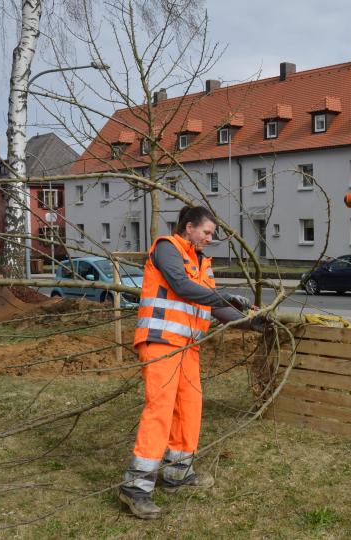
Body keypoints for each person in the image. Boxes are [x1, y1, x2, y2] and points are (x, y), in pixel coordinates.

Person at [119, 205, 266, 519]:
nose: (210, 239)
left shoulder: (202, 263)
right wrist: (228, 297)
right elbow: (182, 287)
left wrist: (252, 322)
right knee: (160, 410)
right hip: (160, 342)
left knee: (190, 407)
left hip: (187, 347)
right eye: (207, 232)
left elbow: (213, 306)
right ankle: (135, 487)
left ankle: (176, 474)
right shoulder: (166, 249)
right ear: (188, 227)